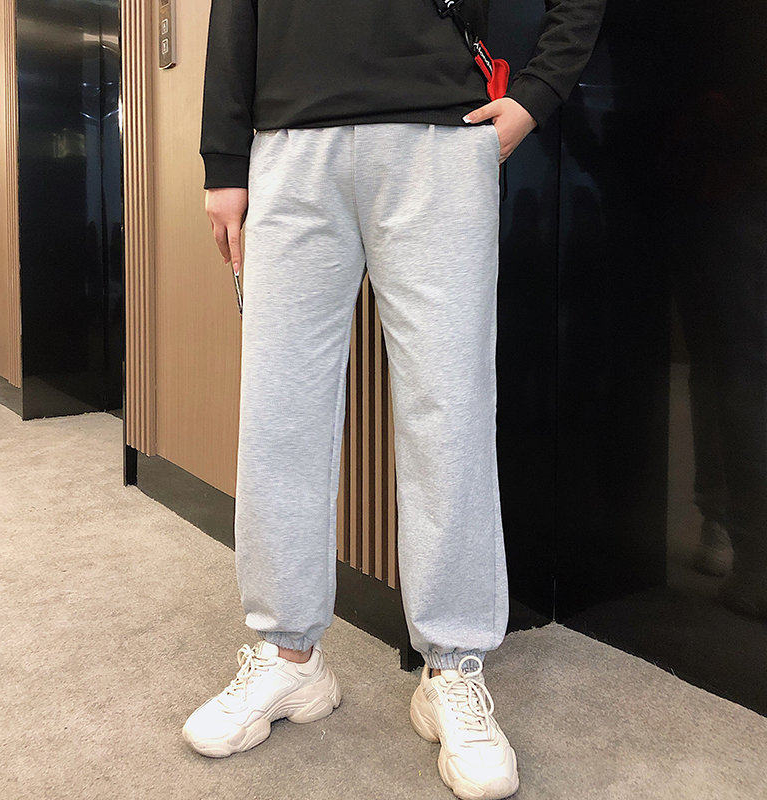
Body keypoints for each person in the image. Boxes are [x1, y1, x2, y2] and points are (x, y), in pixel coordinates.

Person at [183, 1, 604, 797]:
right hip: (288, 144)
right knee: (279, 412)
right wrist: (223, 159)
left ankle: (453, 665)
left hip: (439, 135)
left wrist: (539, 91)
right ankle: (288, 656)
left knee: (449, 412)